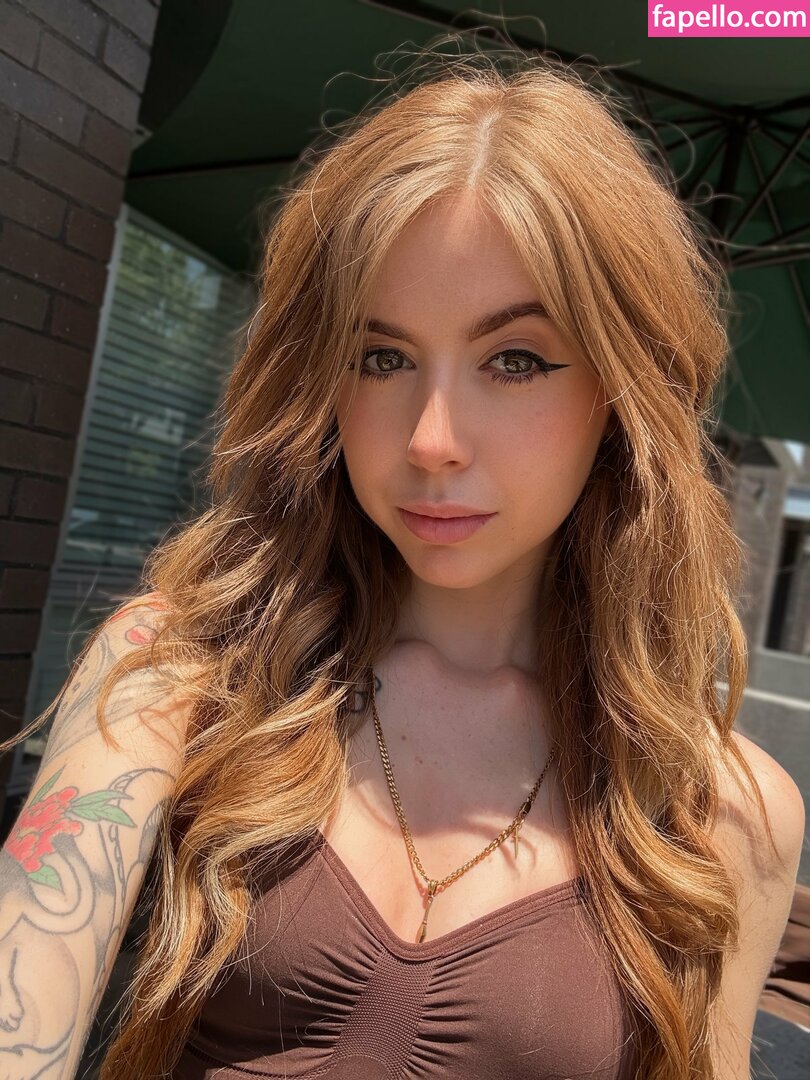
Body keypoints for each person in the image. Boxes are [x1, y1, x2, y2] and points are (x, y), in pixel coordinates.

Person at [0, 36, 804, 1080]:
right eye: (381, 357)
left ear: (620, 395)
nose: (431, 440)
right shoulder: (181, 675)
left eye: (514, 360)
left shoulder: (721, 810)